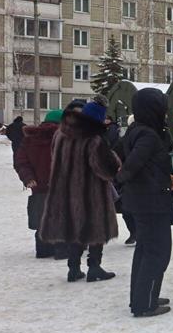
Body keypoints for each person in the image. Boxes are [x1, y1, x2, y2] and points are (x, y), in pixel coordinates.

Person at [38, 98, 121, 283]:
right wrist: (113, 158)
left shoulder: (60, 135)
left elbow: (55, 157)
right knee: (96, 228)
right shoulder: (94, 139)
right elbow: (105, 168)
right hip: (91, 191)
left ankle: (73, 268)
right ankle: (94, 267)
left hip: (66, 189)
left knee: (76, 228)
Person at [117, 88, 173, 318]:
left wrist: (166, 177)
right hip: (151, 203)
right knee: (157, 253)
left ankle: (143, 296)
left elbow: (147, 165)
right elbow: (131, 167)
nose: (165, 113)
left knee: (145, 250)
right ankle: (145, 304)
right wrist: (162, 181)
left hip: (143, 201)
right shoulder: (148, 136)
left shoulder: (138, 130)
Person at [13, 109, 63, 258]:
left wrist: (28, 178)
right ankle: (61, 249)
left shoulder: (29, 139)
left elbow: (21, 162)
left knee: (42, 216)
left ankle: (43, 250)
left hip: (38, 187)